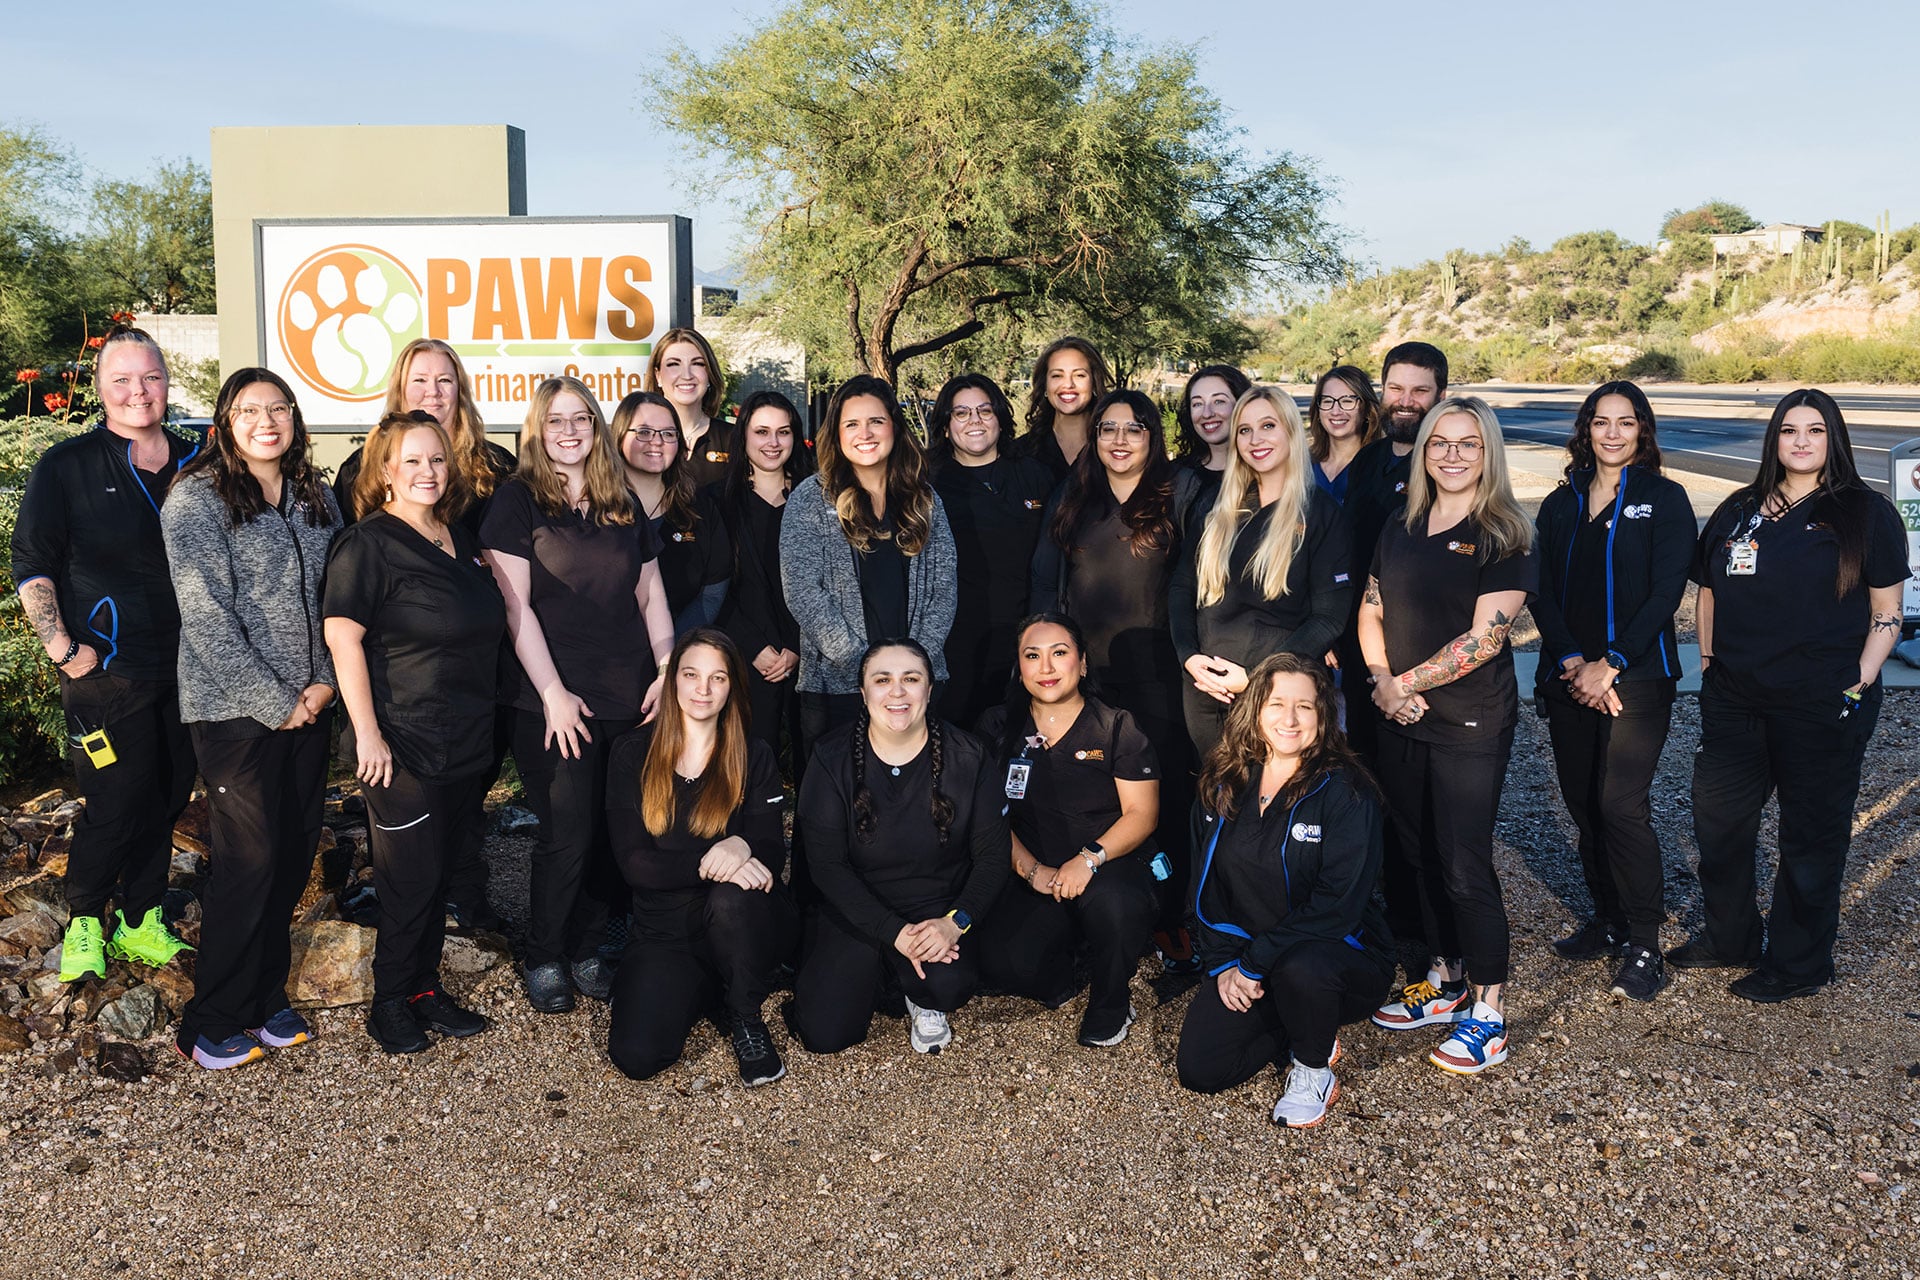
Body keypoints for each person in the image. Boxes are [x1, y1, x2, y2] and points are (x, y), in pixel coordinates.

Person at [1677, 389, 1909, 1003]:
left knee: (1810, 837)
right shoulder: (1739, 509)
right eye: (1788, 430)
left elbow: (1888, 609)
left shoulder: (1865, 511)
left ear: (1834, 439)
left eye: (1814, 430)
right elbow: (1709, 593)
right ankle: (1730, 938)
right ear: (1773, 440)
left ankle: (1801, 962)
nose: (1801, 441)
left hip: (1824, 700)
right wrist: (1708, 663)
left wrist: (1859, 680)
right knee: (1719, 825)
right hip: (1735, 698)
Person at [160, 369, 341, 1069]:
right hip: (234, 713)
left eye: (279, 408)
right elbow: (205, 615)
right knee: (249, 858)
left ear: (295, 418)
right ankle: (209, 1021)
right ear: (225, 423)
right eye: (249, 410)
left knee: (293, 856)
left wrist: (322, 684)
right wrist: (276, 701)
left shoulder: (314, 497)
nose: (267, 421)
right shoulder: (196, 500)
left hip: (312, 705)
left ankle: (264, 998)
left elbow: (337, 597)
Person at [480, 378, 675, 1013]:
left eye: (581, 418)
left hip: (630, 697)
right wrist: (554, 692)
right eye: (555, 420)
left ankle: (591, 948)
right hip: (553, 702)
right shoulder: (517, 502)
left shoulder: (621, 499)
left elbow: (650, 597)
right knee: (566, 833)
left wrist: (668, 667)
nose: (569, 430)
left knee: (613, 832)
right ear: (537, 430)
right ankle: (544, 953)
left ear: (596, 427)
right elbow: (516, 611)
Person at [11, 324, 199, 984]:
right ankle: (86, 919)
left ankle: (142, 918)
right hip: (102, 675)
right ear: (100, 388)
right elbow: (32, 562)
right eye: (122, 379)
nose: (137, 391)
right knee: (114, 797)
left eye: (149, 377)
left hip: (186, 669)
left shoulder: (196, 460)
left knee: (167, 793)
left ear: (166, 384)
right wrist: (61, 649)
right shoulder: (66, 467)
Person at [1359, 396, 1538, 1075]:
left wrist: (1401, 685)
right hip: (1400, 716)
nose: (1453, 455)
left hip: (1469, 723)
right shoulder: (1402, 523)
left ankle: (1487, 1013)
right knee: (1418, 855)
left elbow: (1486, 639)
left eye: (1468, 443)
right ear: (1425, 450)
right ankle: (1444, 979)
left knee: (1464, 866)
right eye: (1440, 442)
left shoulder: (1506, 533)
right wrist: (1381, 679)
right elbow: (1371, 606)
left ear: (1487, 452)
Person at [323, 411, 504, 1053]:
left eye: (437, 459)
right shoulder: (369, 544)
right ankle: (390, 1001)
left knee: (444, 871)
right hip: (400, 747)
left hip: (465, 741)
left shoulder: (456, 537)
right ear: (386, 472)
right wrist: (367, 734)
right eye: (412, 461)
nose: (427, 471)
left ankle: (426, 989)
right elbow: (343, 638)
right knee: (409, 880)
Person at [331, 337, 516, 931]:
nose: (433, 392)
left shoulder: (494, 470)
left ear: (460, 390)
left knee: (466, 802)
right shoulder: (363, 487)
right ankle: (407, 931)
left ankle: (462, 896)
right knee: (413, 823)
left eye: (445, 381)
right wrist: (365, 727)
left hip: (482, 668)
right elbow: (351, 609)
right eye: (420, 381)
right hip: (408, 681)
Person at [1175, 654, 1395, 1129]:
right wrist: (1225, 962)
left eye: (1305, 707)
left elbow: (1338, 907)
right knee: (1202, 1069)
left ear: (1324, 717)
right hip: (1248, 958)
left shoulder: (1346, 791)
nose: (1290, 719)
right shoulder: (1225, 780)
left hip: (1336, 960)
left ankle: (1313, 1067)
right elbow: (1204, 887)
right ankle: (1298, 1021)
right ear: (1255, 710)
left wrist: (1256, 963)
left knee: (1303, 966)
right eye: (1276, 704)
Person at [1031, 387, 1205, 963]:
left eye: (1134, 429)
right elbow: (1045, 584)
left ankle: (1175, 915)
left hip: (1161, 676)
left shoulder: (1181, 493)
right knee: (1100, 798)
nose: (1120, 440)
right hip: (1092, 680)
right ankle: (1106, 911)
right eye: (1108, 428)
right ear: (1095, 437)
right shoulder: (1076, 497)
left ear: (1152, 437)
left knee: (1169, 798)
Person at [1531, 381, 1692, 1001]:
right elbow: (1540, 589)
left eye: (1627, 422)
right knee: (1583, 804)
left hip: (1638, 678)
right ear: (1587, 429)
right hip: (1570, 677)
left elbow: (1665, 591)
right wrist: (1574, 660)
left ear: (1642, 430)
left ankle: (1645, 942)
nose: (1614, 433)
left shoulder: (1664, 497)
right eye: (1602, 422)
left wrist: (1612, 663)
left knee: (1621, 805)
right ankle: (1609, 918)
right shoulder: (1559, 501)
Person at [791, 640, 1007, 1054]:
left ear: (929, 689)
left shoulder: (968, 756)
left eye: (911, 679)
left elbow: (993, 857)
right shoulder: (830, 757)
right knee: (825, 1034)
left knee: (947, 987)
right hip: (856, 908)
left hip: (936, 909)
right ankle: (882, 970)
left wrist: (954, 923)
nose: (897, 692)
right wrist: (893, 933)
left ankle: (910, 989)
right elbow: (826, 865)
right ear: (863, 692)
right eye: (882, 680)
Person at [605, 630, 795, 1086]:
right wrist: (714, 854)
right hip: (664, 933)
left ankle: (745, 1014)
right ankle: (711, 983)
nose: (703, 690)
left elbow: (771, 849)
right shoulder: (632, 753)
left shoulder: (754, 754)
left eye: (718, 678)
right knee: (637, 1056)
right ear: (672, 682)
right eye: (691, 675)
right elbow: (634, 863)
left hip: (744, 920)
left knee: (732, 895)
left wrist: (744, 844)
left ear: (733, 687)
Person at [973, 614, 1159, 1047]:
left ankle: (1112, 999)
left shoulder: (1116, 726)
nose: (1047, 667)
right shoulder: (997, 726)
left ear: (1083, 663)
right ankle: (1068, 947)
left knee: (1116, 908)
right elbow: (987, 817)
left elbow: (1140, 814)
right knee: (1008, 964)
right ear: (1019, 669)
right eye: (1032, 655)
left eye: (1060, 653)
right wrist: (1031, 869)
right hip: (1033, 864)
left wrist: (1088, 859)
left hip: (1107, 861)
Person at [1332, 341, 1447, 969]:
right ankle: (1391, 916)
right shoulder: (1370, 462)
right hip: (1362, 658)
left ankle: (1438, 940)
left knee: (1426, 807)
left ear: (1440, 397)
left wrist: (1410, 674)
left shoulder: (1447, 469)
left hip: (1425, 664)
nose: (1404, 401)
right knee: (1372, 787)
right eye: (1395, 389)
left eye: (1418, 390)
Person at [779, 375, 957, 755]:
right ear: (837, 434)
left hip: (915, 690)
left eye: (876, 421)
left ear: (894, 425)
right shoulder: (811, 498)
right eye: (852, 424)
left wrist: (911, 671)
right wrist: (866, 669)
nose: (866, 433)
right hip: (835, 687)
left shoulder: (924, 499)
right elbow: (803, 592)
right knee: (836, 806)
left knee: (912, 803)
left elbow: (944, 589)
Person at [1171, 387, 1353, 757]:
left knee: (1271, 807)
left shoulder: (1321, 513)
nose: (1256, 440)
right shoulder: (1217, 505)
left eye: (1268, 425)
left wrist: (1257, 677)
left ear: (1290, 430)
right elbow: (1181, 586)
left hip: (1278, 696)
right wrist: (1189, 656)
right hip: (1205, 691)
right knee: (1217, 803)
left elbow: (1328, 619)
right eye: (1244, 430)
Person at [926, 374, 1055, 729]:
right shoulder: (926, 480)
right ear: (946, 424)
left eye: (984, 410)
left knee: (1018, 738)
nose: (975, 421)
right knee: (954, 738)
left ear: (1000, 416)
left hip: (1026, 634)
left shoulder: (1033, 475)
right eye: (962, 413)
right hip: (953, 639)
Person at [714, 390, 811, 771]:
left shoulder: (818, 499)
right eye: (762, 432)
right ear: (743, 437)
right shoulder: (717, 502)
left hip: (808, 654)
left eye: (783, 432)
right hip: (744, 655)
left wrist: (794, 645)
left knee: (816, 769)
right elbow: (711, 590)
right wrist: (754, 646)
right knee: (749, 767)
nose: (773, 443)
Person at [615, 389, 732, 637]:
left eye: (668, 434)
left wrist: (673, 650)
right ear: (619, 436)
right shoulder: (596, 509)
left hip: (684, 651)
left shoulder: (699, 508)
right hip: (614, 655)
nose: (656, 441)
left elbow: (713, 591)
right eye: (644, 432)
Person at [645, 327, 731, 490]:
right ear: (658, 376)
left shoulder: (735, 439)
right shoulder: (637, 441)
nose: (686, 375)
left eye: (697, 364)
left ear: (709, 374)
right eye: (673, 364)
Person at [1017, 336, 1112, 481]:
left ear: (1094, 382)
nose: (1068, 384)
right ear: (1045, 385)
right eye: (1057, 376)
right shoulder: (1021, 452)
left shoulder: (1115, 448)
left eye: (1079, 375)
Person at [1307, 365, 1382, 504]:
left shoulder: (1379, 469)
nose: (1335, 411)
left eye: (1347, 401)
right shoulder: (1304, 466)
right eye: (1328, 401)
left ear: (1366, 410)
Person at [1172, 363, 1253, 485]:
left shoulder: (1263, 476)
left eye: (1219, 401)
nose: (1206, 413)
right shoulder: (1175, 475)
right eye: (1197, 404)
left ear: (1242, 405)